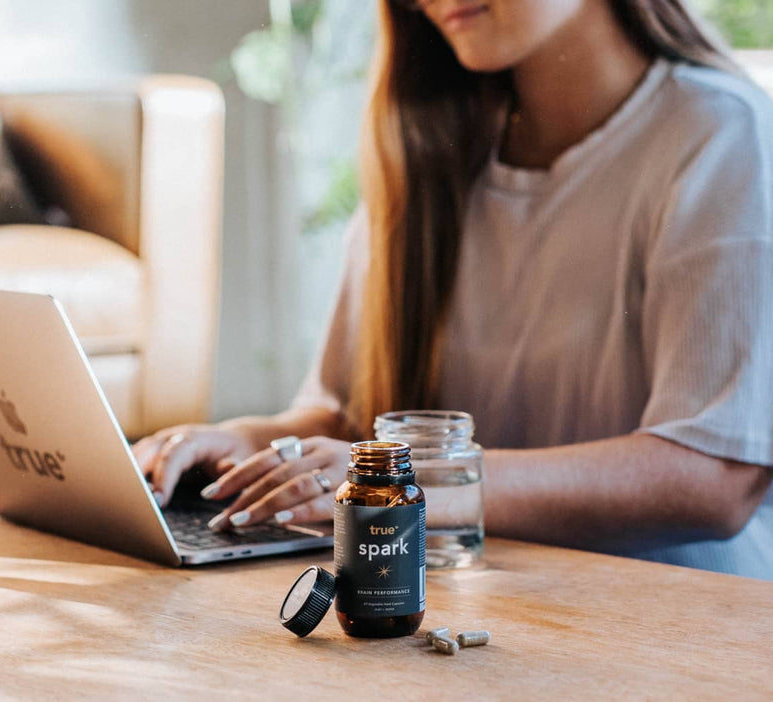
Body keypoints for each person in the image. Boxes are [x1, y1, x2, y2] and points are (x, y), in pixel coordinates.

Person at [133, 0, 773, 579]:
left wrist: (419, 484)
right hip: (477, 608)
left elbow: (716, 476)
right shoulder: (426, 146)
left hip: (678, 617)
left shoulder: (722, 132)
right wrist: (258, 443)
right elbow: (348, 417)